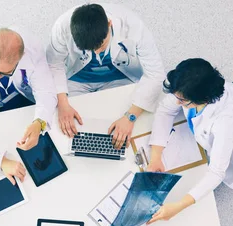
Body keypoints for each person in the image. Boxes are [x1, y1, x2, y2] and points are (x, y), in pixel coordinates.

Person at [145, 58, 233, 225]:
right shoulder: (190, 86)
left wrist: (179, 206)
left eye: (183, 101)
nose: (177, 102)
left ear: (203, 98)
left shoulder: (225, 121)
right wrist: (156, 156)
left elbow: (216, 172)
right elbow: (165, 110)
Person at [46, 3, 165, 148]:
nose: (96, 53)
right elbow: (54, 65)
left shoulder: (134, 26)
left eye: (101, 46)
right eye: (90, 49)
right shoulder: (61, 28)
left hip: (118, 77)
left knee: (124, 130)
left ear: (110, 24)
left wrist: (130, 117)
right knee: (68, 130)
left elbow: (156, 74)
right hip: (76, 79)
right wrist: (63, 104)